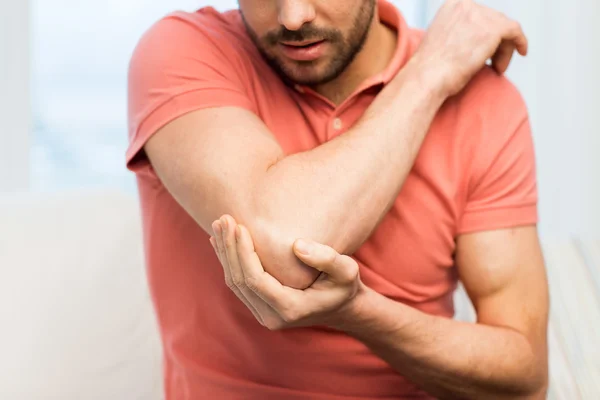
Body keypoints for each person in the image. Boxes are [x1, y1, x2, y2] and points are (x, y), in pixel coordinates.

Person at [126, 0, 549, 398]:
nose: (293, 17)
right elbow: (287, 249)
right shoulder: (182, 51)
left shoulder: (480, 99)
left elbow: (525, 379)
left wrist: (360, 313)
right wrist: (426, 77)